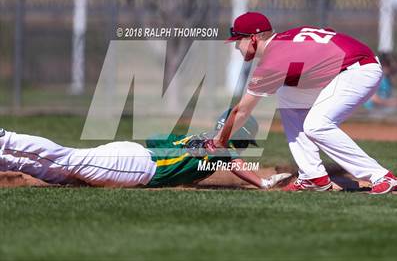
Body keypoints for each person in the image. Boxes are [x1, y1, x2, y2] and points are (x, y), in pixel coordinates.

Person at [207, 12, 397, 194]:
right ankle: (313, 176)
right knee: (286, 92)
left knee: (317, 125)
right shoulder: (285, 39)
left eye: (239, 40)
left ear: (254, 38)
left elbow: (241, 112)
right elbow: (328, 34)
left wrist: (220, 141)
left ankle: (381, 176)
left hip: (359, 70)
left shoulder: (273, 60)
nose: (236, 46)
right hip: (350, 67)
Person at [0, 113, 291, 189]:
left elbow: (155, 139)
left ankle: (4, 158)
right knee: (67, 159)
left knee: (62, 173)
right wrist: (262, 182)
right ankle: (6, 139)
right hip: (138, 167)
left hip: (133, 156)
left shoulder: (199, 139)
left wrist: (181, 160)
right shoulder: (214, 147)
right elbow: (224, 155)